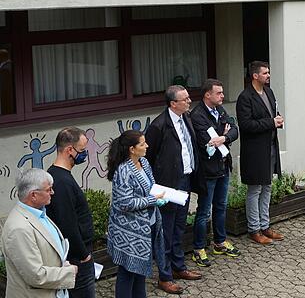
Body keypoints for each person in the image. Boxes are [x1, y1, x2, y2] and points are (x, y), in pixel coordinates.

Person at [145, 85, 203, 294]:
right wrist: (155, 188)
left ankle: (179, 267)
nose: (189, 102)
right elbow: (147, 159)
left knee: (179, 226)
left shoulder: (186, 118)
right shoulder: (159, 126)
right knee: (165, 231)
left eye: (188, 98)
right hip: (167, 186)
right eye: (185, 99)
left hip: (186, 180)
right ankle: (165, 275)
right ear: (173, 103)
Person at [106, 130, 167, 298]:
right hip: (129, 231)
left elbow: (150, 188)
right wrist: (152, 200)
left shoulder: (144, 163)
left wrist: (162, 195)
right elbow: (124, 203)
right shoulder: (124, 171)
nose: (147, 146)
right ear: (132, 149)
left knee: (141, 271)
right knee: (127, 272)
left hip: (148, 225)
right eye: (142, 144)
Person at [1, 168, 78, 297]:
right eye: (48, 190)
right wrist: (69, 272)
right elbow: (35, 275)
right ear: (33, 195)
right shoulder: (19, 228)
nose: (53, 192)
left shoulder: (38, 213)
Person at [190, 79, 240, 267]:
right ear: (207, 95)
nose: (222, 96)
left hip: (223, 166)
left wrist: (224, 136)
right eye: (218, 93)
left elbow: (234, 129)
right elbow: (206, 142)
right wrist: (222, 134)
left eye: (222, 92)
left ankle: (220, 242)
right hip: (208, 171)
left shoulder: (220, 110)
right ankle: (198, 248)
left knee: (221, 206)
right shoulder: (198, 115)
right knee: (203, 211)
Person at [236, 61, 285, 245]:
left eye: (268, 72)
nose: (268, 75)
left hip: (270, 147)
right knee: (255, 189)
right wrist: (271, 122)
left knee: (267, 186)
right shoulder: (245, 97)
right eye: (265, 73)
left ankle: (265, 226)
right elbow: (246, 125)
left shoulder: (269, 92)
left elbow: (273, 112)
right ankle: (254, 229)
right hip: (255, 151)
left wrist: (278, 118)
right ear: (255, 76)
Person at [46, 127, 96, 298]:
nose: (84, 155)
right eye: (82, 150)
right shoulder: (62, 182)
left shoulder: (58, 175)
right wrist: (83, 255)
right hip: (77, 258)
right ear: (69, 150)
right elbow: (67, 223)